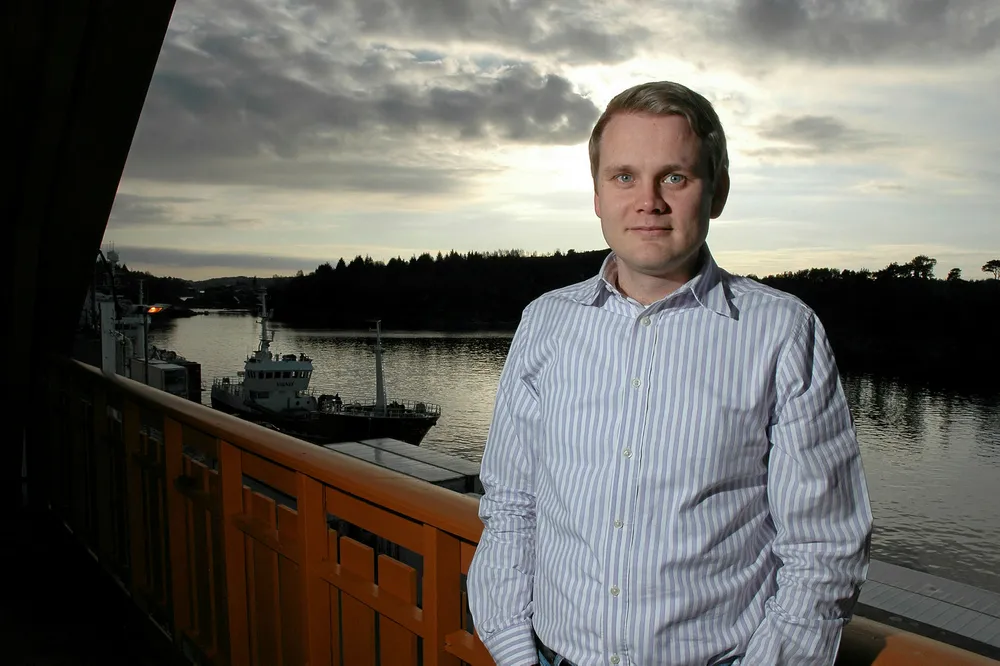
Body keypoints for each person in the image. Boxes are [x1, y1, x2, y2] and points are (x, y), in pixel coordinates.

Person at [466, 81, 874, 666]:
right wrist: (513, 651)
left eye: (675, 178)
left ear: (717, 191)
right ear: (598, 195)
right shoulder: (545, 323)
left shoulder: (783, 333)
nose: (649, 201)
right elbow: (512, 506)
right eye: (624, 176)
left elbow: (823, 547)